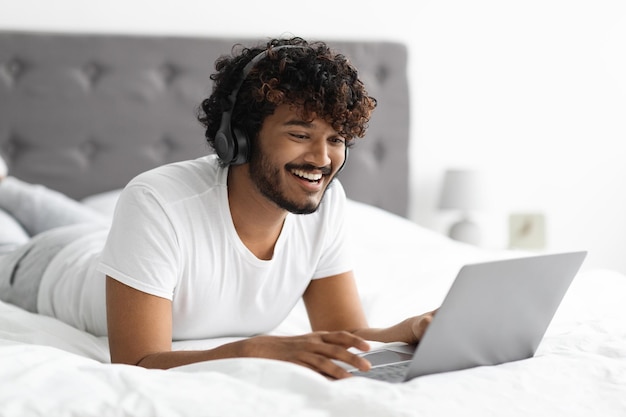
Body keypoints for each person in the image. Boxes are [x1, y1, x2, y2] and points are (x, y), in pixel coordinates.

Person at [0, 37, 435, 380]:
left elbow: (348, 335)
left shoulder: (326, 204)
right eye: (300, 134)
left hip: (107, 243)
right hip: (44, 267)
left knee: (72, 218)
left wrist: (412, 328)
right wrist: (256, 349)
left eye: (336, 139)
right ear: (240, 136)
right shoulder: (157, 200)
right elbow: (136, 362)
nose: (322, 159)